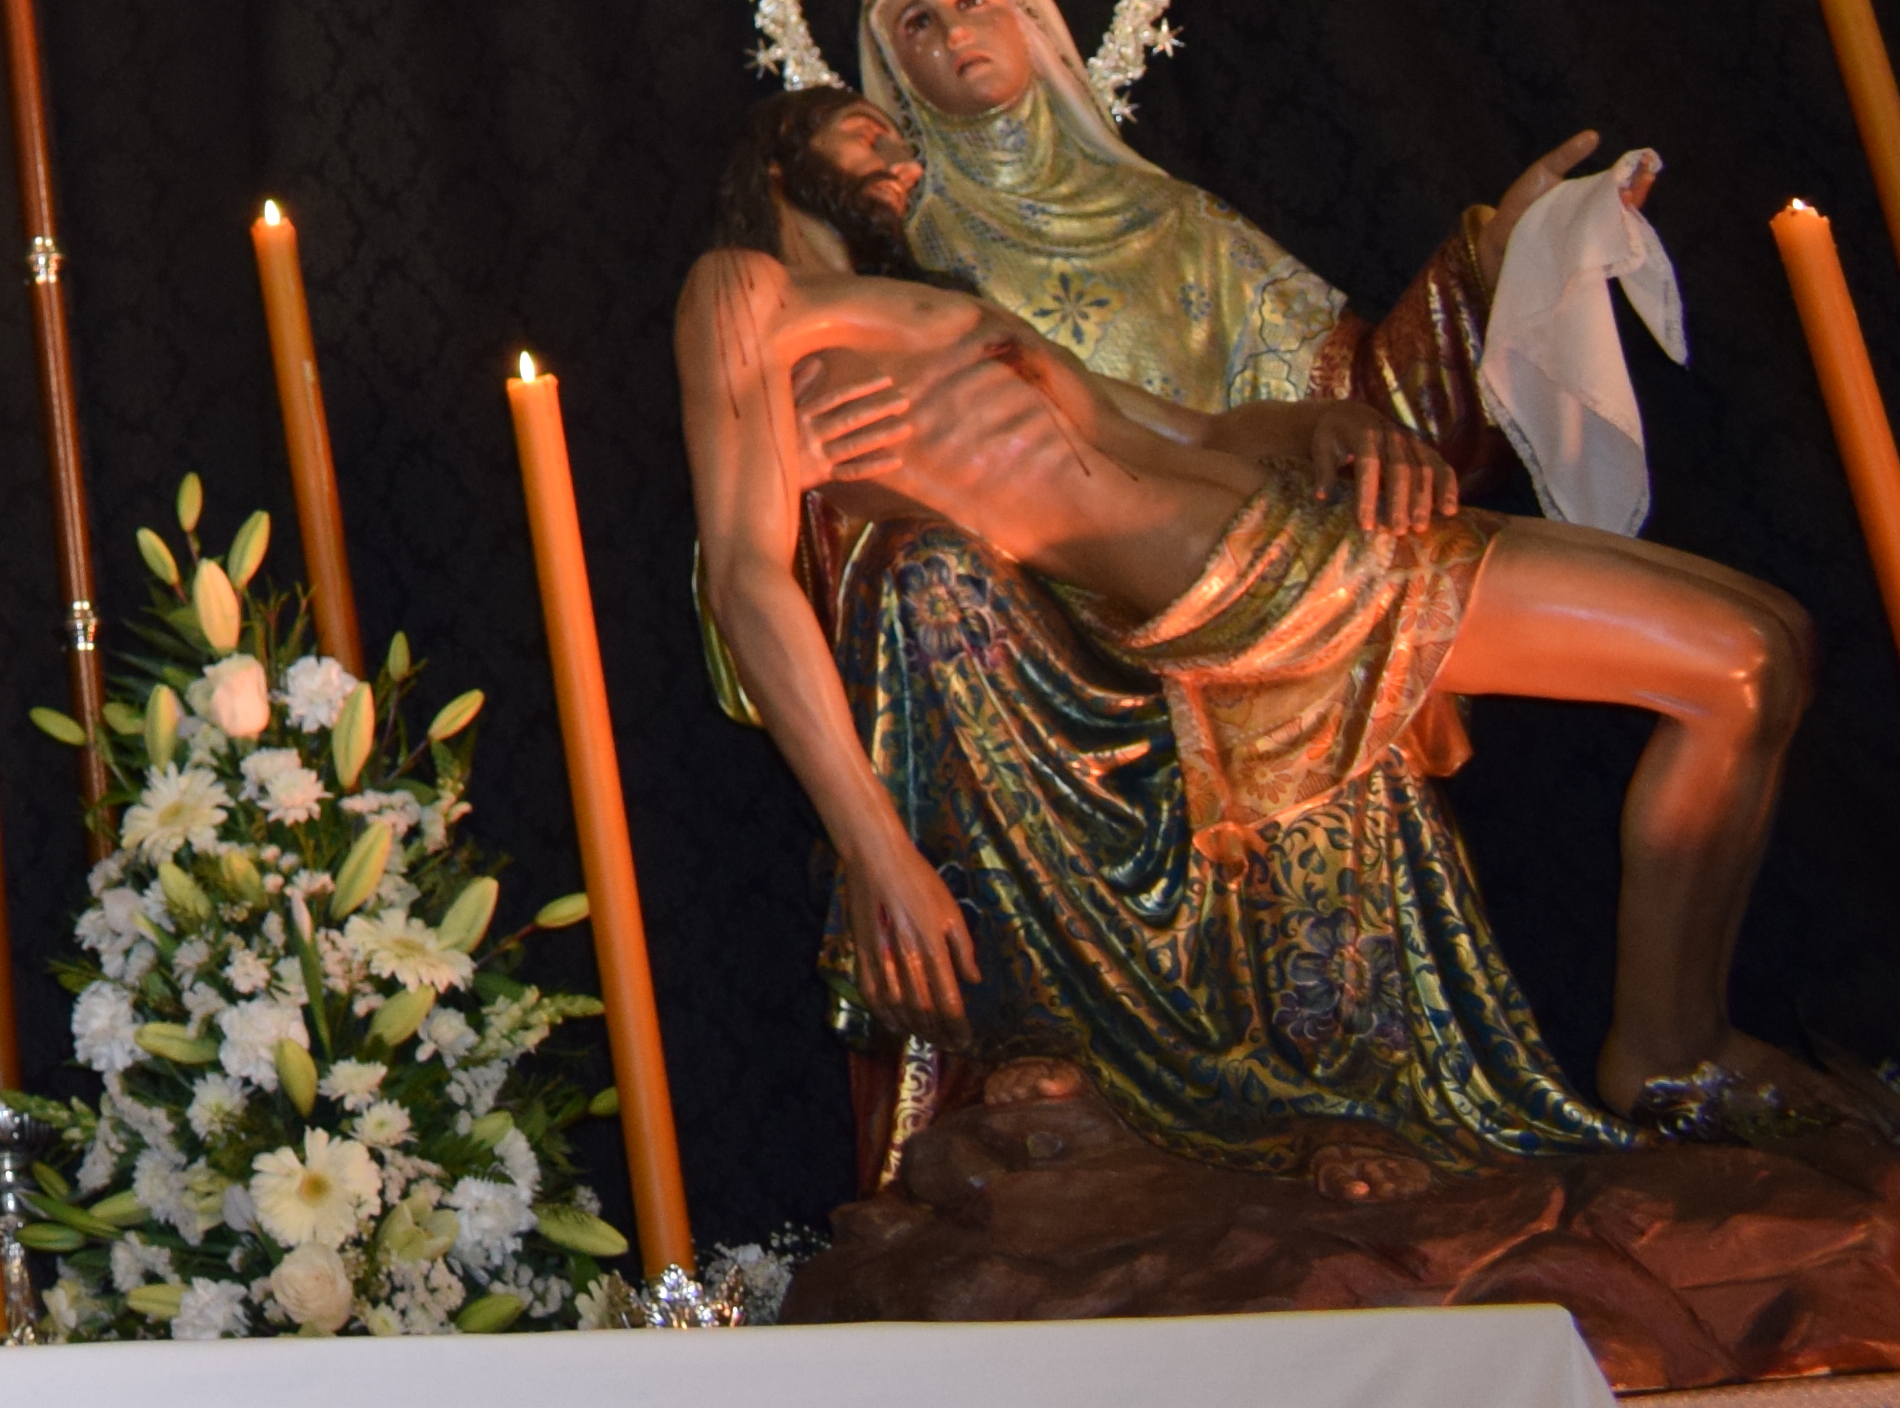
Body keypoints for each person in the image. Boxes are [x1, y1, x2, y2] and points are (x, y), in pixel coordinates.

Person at [687, 84, 1817, 1134]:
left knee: (1778, 636)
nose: (900, 151)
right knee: (1742, 662)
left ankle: (1679, 1034)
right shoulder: (749, 290)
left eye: (902, 133)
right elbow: (748, 571)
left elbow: (1200, 432)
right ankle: (1671, 1048)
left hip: (1300, 531)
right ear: (781, 158)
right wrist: (876, 844)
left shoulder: (969, 316)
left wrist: (1334, 424)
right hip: (1256, 588)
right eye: (862, 127)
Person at [782, 0, 1664, 1164]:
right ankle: (1055, 1074)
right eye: (912, 26)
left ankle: (1359, 1124)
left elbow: (1340, 413)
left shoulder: (1177, 224)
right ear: (886, 81)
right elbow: (818, 476)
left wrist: (1489, 267)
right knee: (936, 585)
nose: (950, 33)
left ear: (1037, 19)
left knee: (1322, 638)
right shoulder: (895, 253)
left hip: (1232, 569)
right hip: (1036, 651)